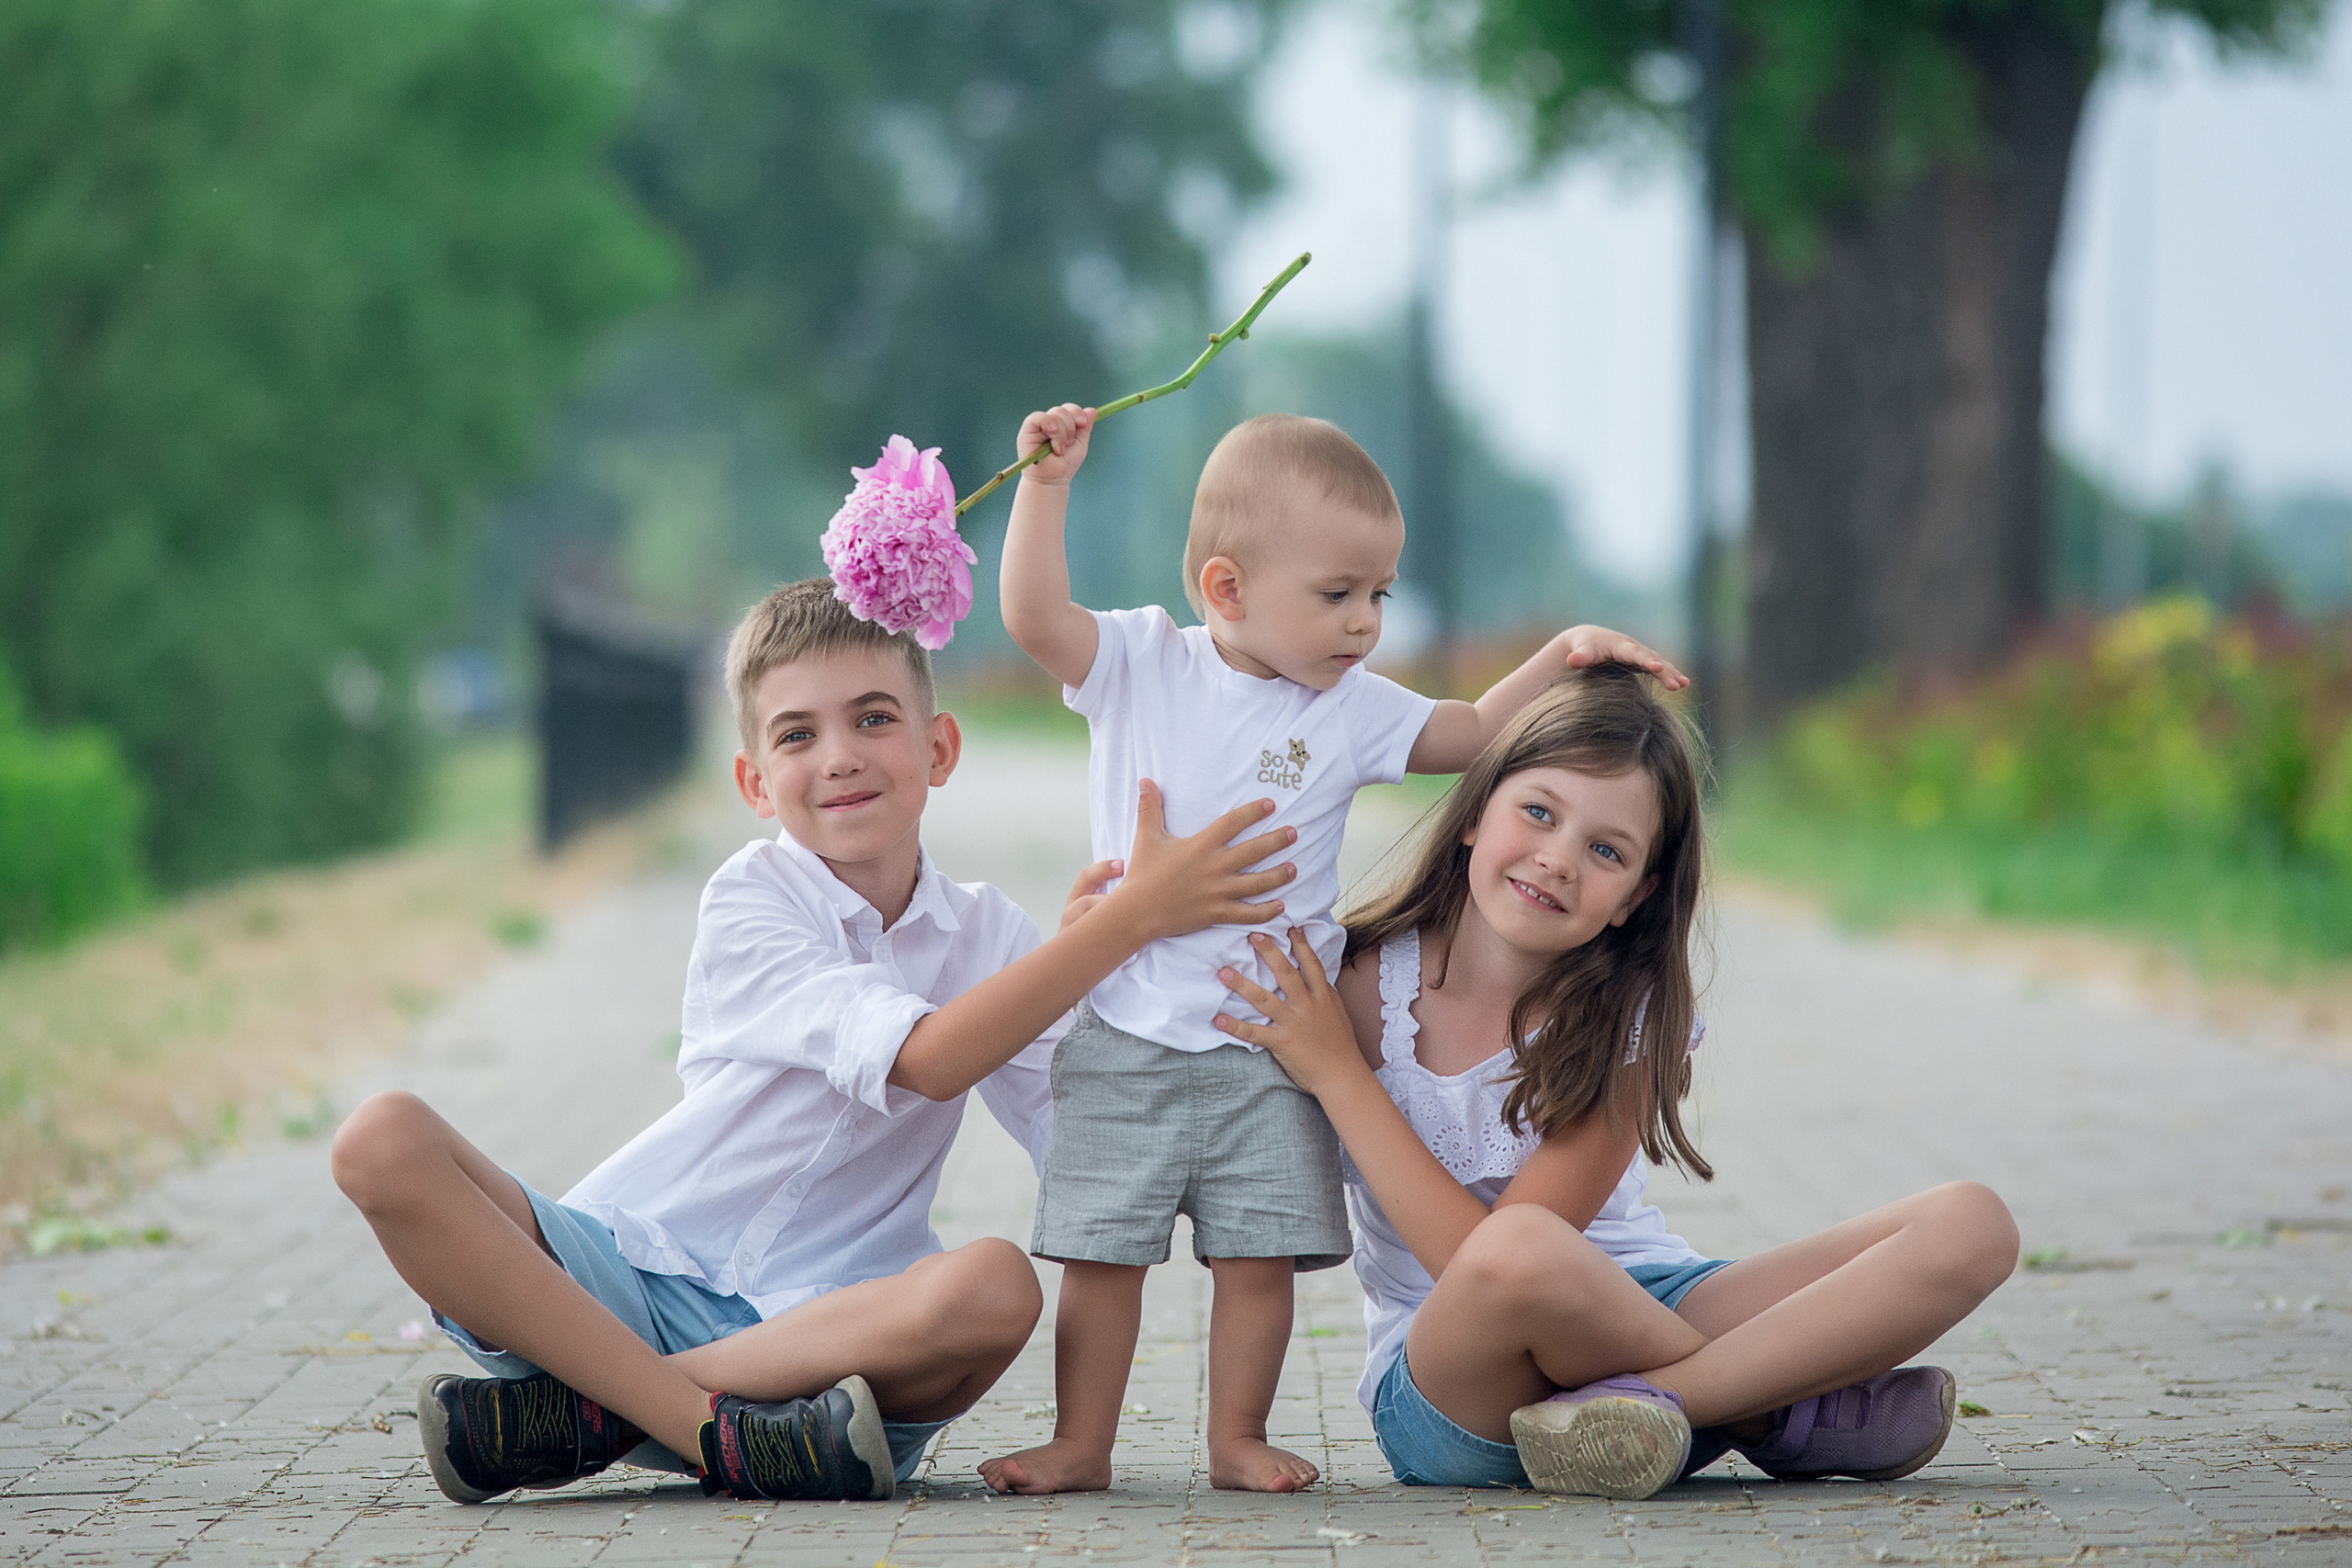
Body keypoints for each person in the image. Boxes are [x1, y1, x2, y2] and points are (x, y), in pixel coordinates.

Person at [332, 578, 1303, 1505]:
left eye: (874, 718)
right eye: (799, 734)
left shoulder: (989, 936)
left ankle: (584, 1415)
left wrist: (1143, 980)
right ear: (755, 781)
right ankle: (707, 1430)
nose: (838, 755)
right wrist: (1118, 927)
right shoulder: (751, 899)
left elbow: (1093, 1143)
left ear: (939, 749)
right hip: (626, 1280)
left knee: (996, 1285)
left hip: (837, 1342)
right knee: (381, 1138)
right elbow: (926, 1059)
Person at [983, 404, 1687, 1495]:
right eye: (1336, 595)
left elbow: (1467, 733)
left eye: (1377, 596)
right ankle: (1082, 1443)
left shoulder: (1349, 708)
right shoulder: (1140, 662)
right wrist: (1045, 486)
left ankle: (1235, 1438)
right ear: (1226, 589)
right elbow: (1031, 616)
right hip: (1127, 1027)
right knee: (1101, 1257)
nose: (1364, 623)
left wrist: (1559, 658)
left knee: (1258, 1263)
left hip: (1272, 1039)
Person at [1208, 665, 2021, 1500]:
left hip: (1645, 1299)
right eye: (1538, 812)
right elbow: (1488, 1271)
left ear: (1637, 895)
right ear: (1474, 812)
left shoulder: (1628, 1018)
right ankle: (1763, 1404)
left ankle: (1671, 1404)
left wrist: (1340, 1075)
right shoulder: (1350, 982)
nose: (1558, 859)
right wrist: (1117, 922)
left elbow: (1515, 1244)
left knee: (1974, 1223)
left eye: (1605, 850)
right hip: (1456, 1381)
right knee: (1522, 1250)